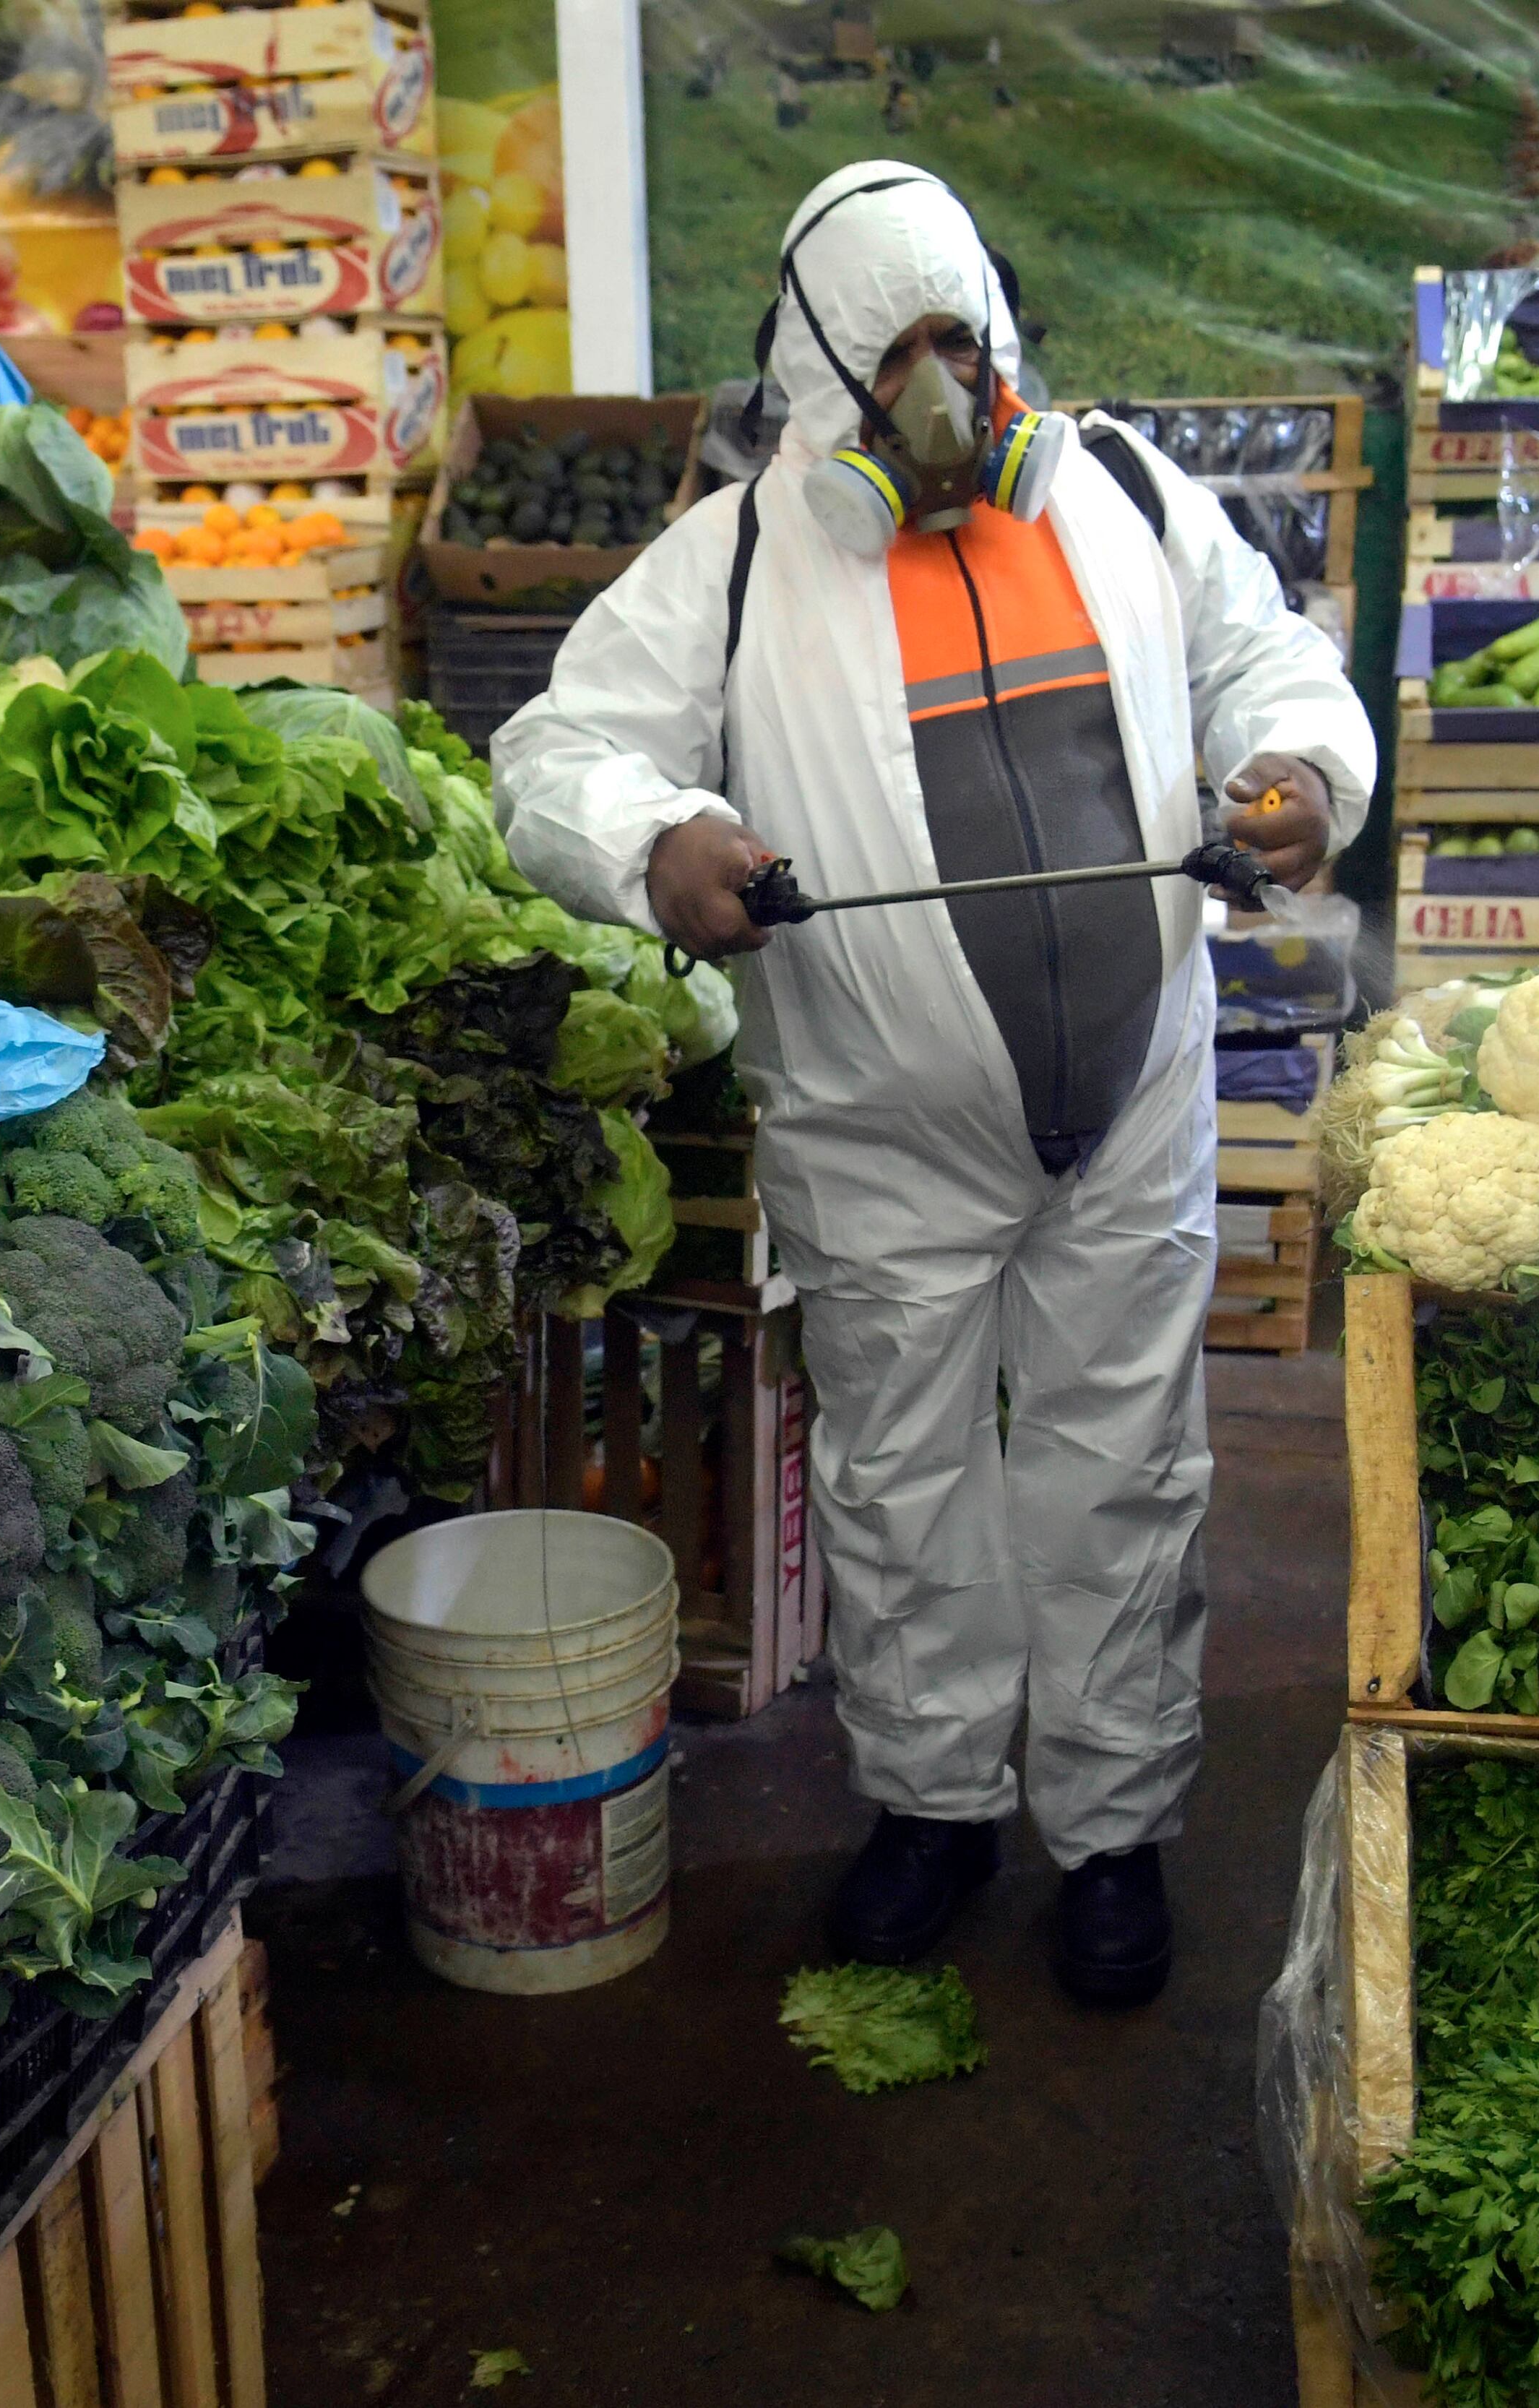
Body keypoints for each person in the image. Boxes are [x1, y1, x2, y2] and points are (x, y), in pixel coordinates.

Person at [493, 165, 1372, 2009]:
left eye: (961, 339)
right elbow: (557, 750)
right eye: (896, 353)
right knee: (903, 1485)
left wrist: (1294, 765)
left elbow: (1264, 659)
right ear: (817, 374)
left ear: (1006, 323)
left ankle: (1114, 1832)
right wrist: (654, 838)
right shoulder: (732, 559)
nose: (942, 387)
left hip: (1131, 1103)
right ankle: (931, 1805)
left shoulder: (1126, 494)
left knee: (1123, 1473)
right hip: (881, 1128)